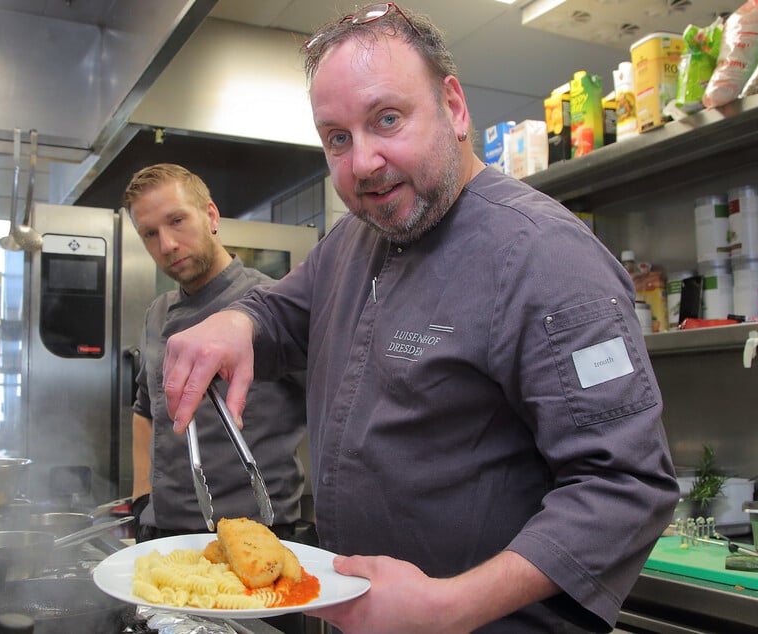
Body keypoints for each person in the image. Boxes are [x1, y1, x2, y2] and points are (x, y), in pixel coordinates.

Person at [161, 5, 680, 633]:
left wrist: (449, 606)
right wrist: (236, 321)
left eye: (387, 119)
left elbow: (626, 484)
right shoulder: (351, 241)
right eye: (337, 138)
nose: (363, 163)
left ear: (454, 108)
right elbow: (280, 312)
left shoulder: (546, 259)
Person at [123, 163, 307, 544]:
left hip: (258, 536)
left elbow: (340, 411)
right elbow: (144, 408)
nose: (167, 244)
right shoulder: (158, 313)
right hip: (164, 534)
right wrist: (143, 496)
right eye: (150, 234)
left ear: (210, 215)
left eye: (177, 220)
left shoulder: (274, 307)